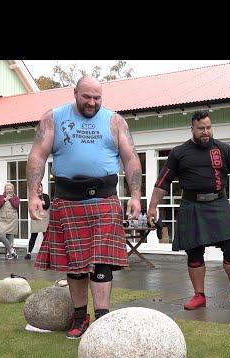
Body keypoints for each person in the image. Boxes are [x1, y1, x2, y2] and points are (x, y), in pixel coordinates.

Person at [27, 76, 142, 339]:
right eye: (86, 97)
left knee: (102, 264)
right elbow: (38, 155)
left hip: (103, 201)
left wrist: (135, 195)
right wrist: (33, 193)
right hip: (68, 201)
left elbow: (130, 158)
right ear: (75, 92)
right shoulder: (53, 118)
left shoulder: (114, 121)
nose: (92, 103)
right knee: (75, 266)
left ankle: (102, 319)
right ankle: (80, 318)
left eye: (97, 98)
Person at [147, 110, 230, 311]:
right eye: (201, 129)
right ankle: (199, 295)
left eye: (208, 127)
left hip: (219, 202)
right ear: (192, 129)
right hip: (192, 205)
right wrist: (152, 206)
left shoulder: (224, 149)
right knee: (194, 251)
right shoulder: (179, 153)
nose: (205, 132)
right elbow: (163, 181)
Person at [25, 182, 50, 260]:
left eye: (40, 187)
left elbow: (47, 205)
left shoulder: (46, 196)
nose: (39, 189)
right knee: (33, 235)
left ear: (42, 188)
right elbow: (31, 206)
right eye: (37, 187)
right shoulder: (33, 196)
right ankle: (29, 253)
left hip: (44, 217)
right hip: (35, 217)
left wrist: (40, 204)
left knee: (45, 236)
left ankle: (47, 253)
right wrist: (41, 203)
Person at [0, 183, 20, 259]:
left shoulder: (16, 197)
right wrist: (5, 199)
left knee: (10, 238)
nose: (9, 190)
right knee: (1, 235)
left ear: (12, 189)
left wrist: (11, 199)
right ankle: (12, 250)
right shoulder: (0, 197)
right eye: (7, 189)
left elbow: (16, 205)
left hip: (12, 219)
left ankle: (9, 254)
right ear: (5, 189)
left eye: (10, 189)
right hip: (2, 219)